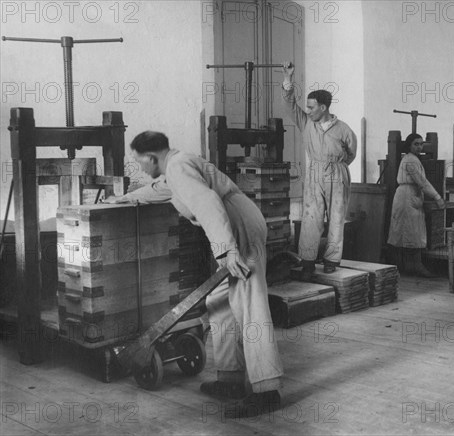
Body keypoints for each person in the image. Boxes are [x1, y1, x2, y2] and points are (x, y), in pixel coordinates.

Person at [106, 131, 283, 418]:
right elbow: (161, 190)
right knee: (219, 301)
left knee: (251, 305)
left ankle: (267, 391)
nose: (139, 168)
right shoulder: (176, 167)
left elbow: (207, 204)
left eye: (139, 162)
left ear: (151, 157)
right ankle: (231, 380)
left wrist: (227, 252)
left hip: (239, 228)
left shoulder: (178, 167)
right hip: (235, 223)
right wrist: (125, 199)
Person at [281, 62, 357, 278]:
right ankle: (307, 262)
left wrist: (335, 168)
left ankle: (332, 260)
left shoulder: (344, 130)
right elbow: (289, 106)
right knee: (311, 218)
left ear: (323, 108)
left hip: (337, 173)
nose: (308, 110)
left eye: (312, 107)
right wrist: (288, 80)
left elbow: (350, 154)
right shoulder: (306, 123)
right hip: (314, 173)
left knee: (336, 217)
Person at [387, 133, 445, 277]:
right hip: (406, 197)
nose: (419, 147)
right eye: (416, 144)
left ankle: (410, 266)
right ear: (409, 145)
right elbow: (422, 182)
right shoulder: (410, 160)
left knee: (412, 232)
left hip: (411, 195)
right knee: (408, 232)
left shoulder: (413, 159)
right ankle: (408, 266)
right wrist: (437, 197)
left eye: (421, 144)